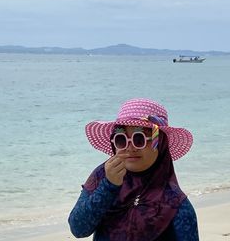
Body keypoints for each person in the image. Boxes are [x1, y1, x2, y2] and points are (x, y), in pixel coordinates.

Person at [68, 98, 199, 240]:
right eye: (121, 139)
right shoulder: (102, 175)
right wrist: (109, 186)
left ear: (159, 143)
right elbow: (78, 229)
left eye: (139, 139)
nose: (130, 147)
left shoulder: (176, 204)